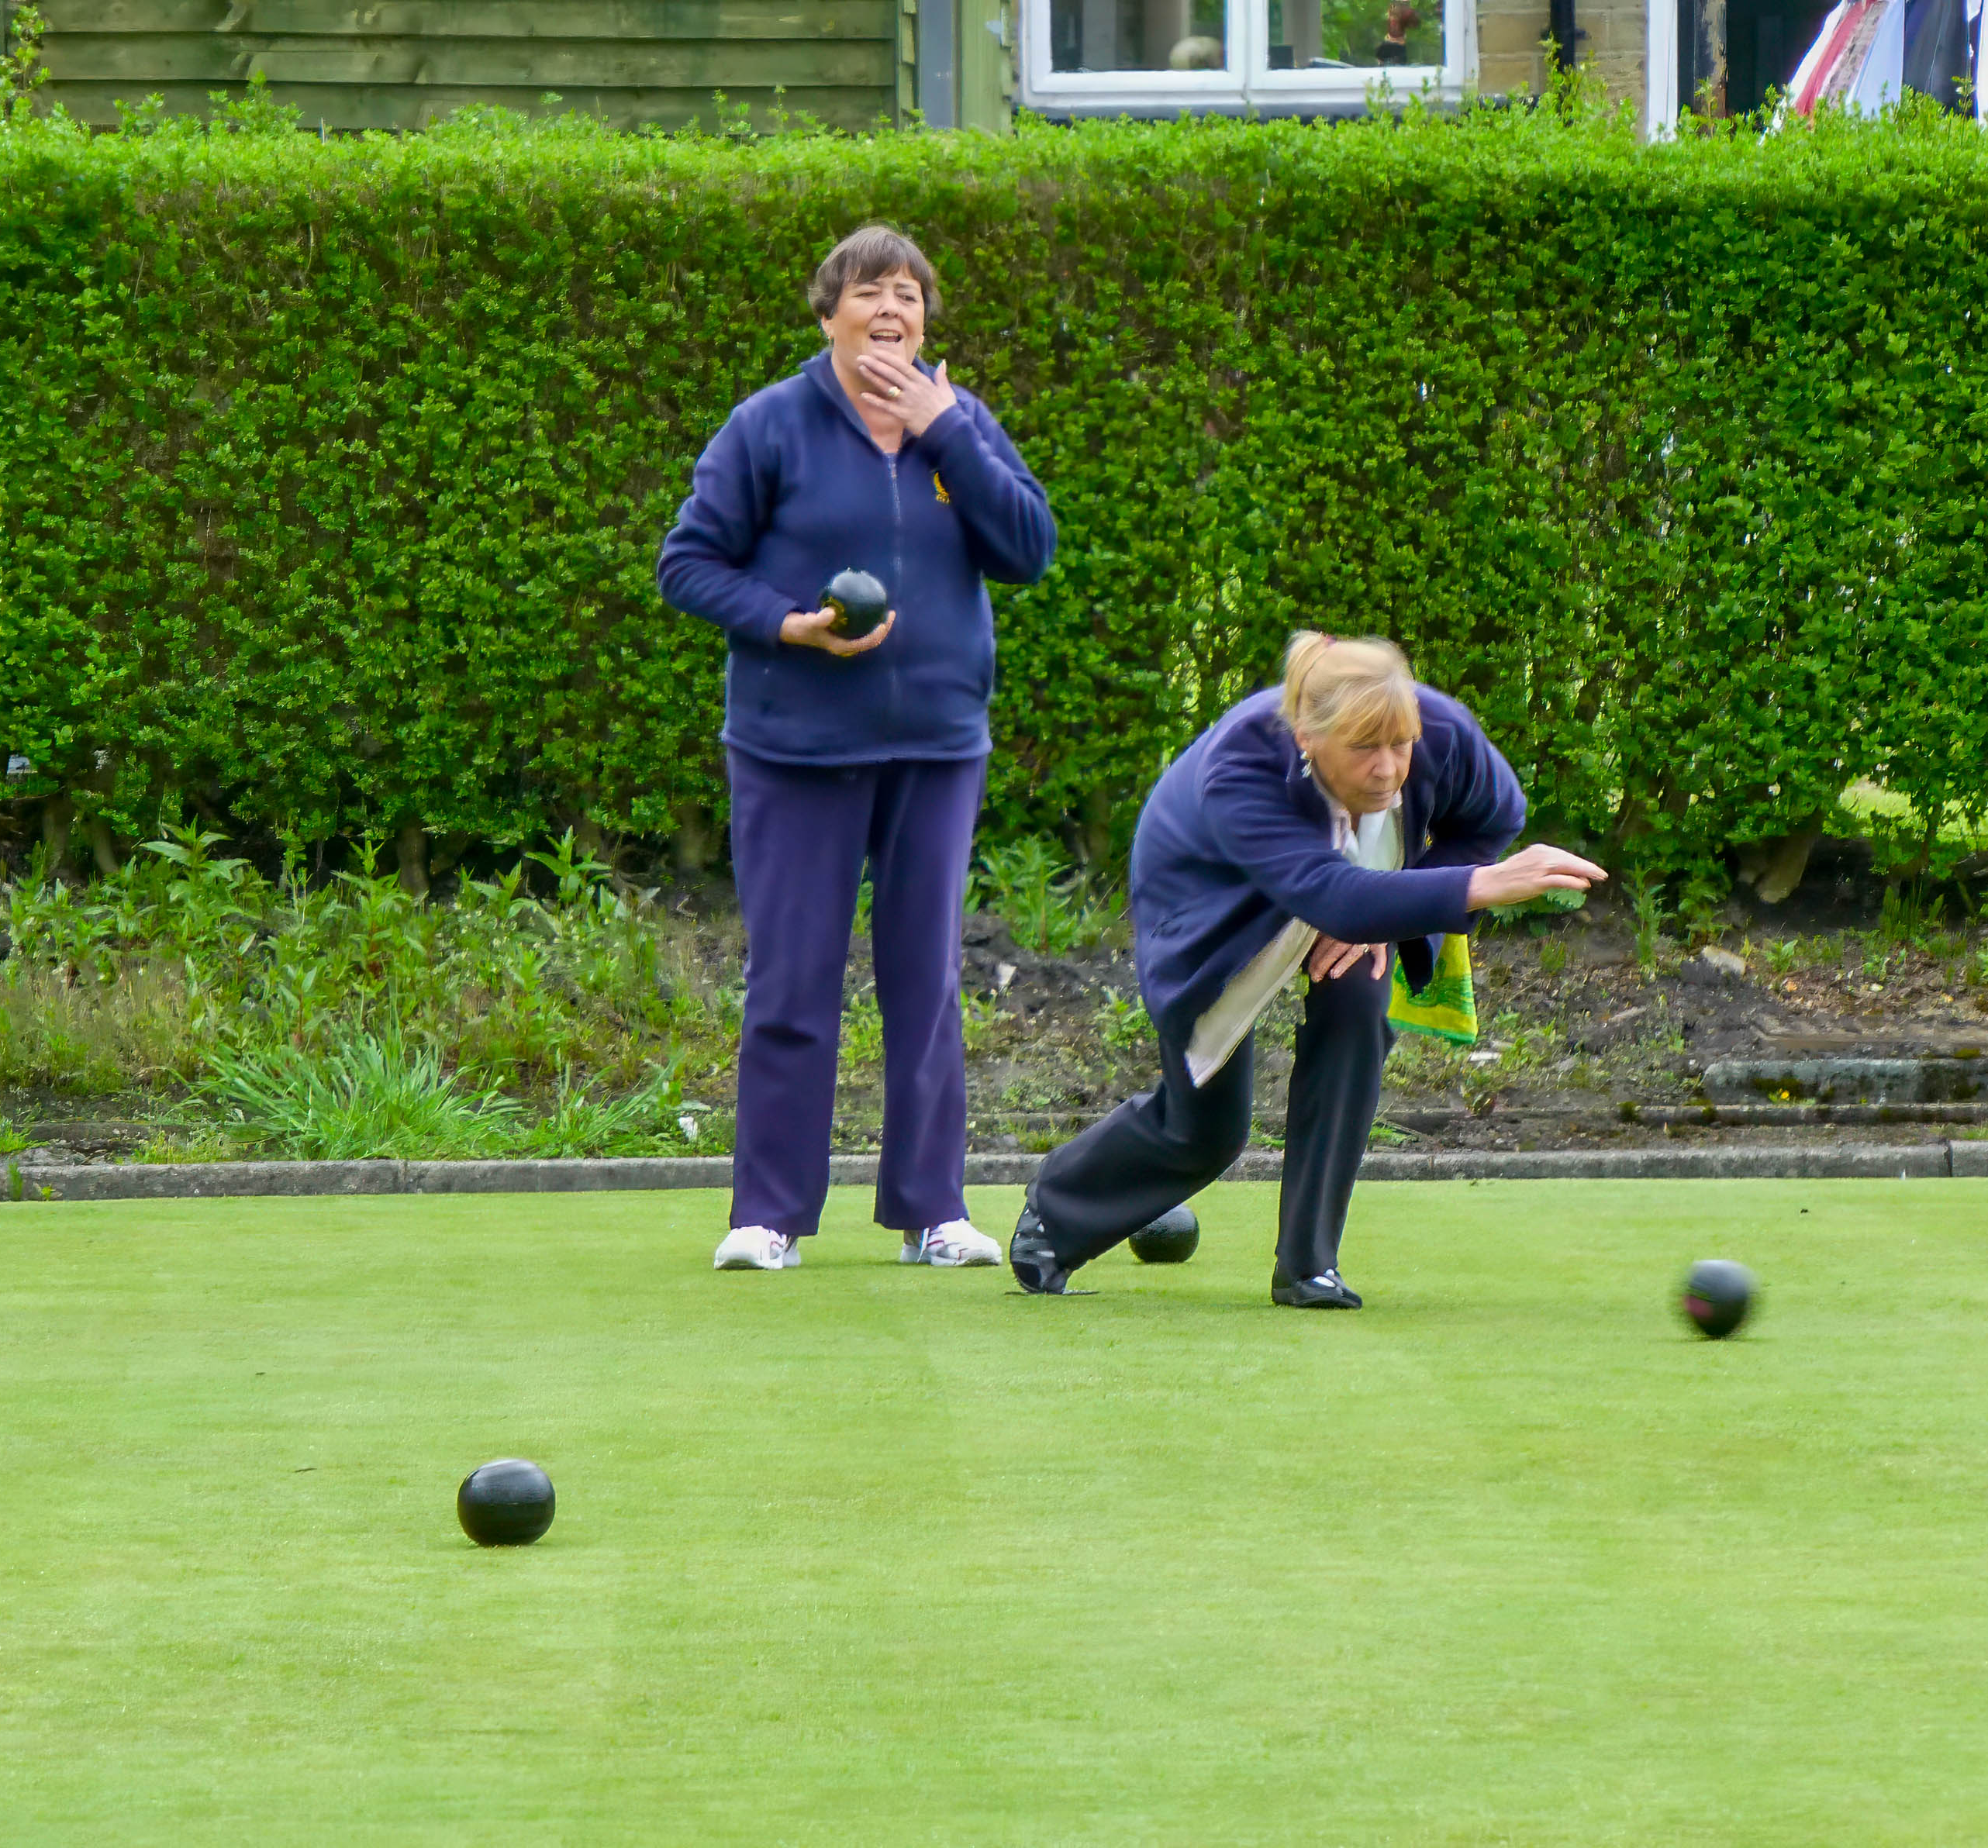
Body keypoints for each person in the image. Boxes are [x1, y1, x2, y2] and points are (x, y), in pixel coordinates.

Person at [657, 225, 1058, 1275]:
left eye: (911, 297)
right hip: (794, 749)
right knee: (791, 980)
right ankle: (769, 1216)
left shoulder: (958, 422)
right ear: (827, 314)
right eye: (871, 294)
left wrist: (948, 433)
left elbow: (1026, 550)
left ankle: (932, 1212)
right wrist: (785, 623)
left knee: (922, 982)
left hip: (935, 746)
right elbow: (687, 565)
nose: (894, 310)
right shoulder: (770, 427)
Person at [1009, 633, 1603, 1307]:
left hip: (1351, 885)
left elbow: (1495, 815)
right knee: (1204, 1132)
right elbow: (1329, 894)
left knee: (1357, 1011)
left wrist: (1407, 903)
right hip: (1217, 894)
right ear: (1305, 736)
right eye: (1363, 749)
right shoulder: (1240, 767)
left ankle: (1308, 1266)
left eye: (1399, 745)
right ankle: (1056, 1214)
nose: (1387, 770)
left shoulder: (1437, 727)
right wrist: (1470, 887)